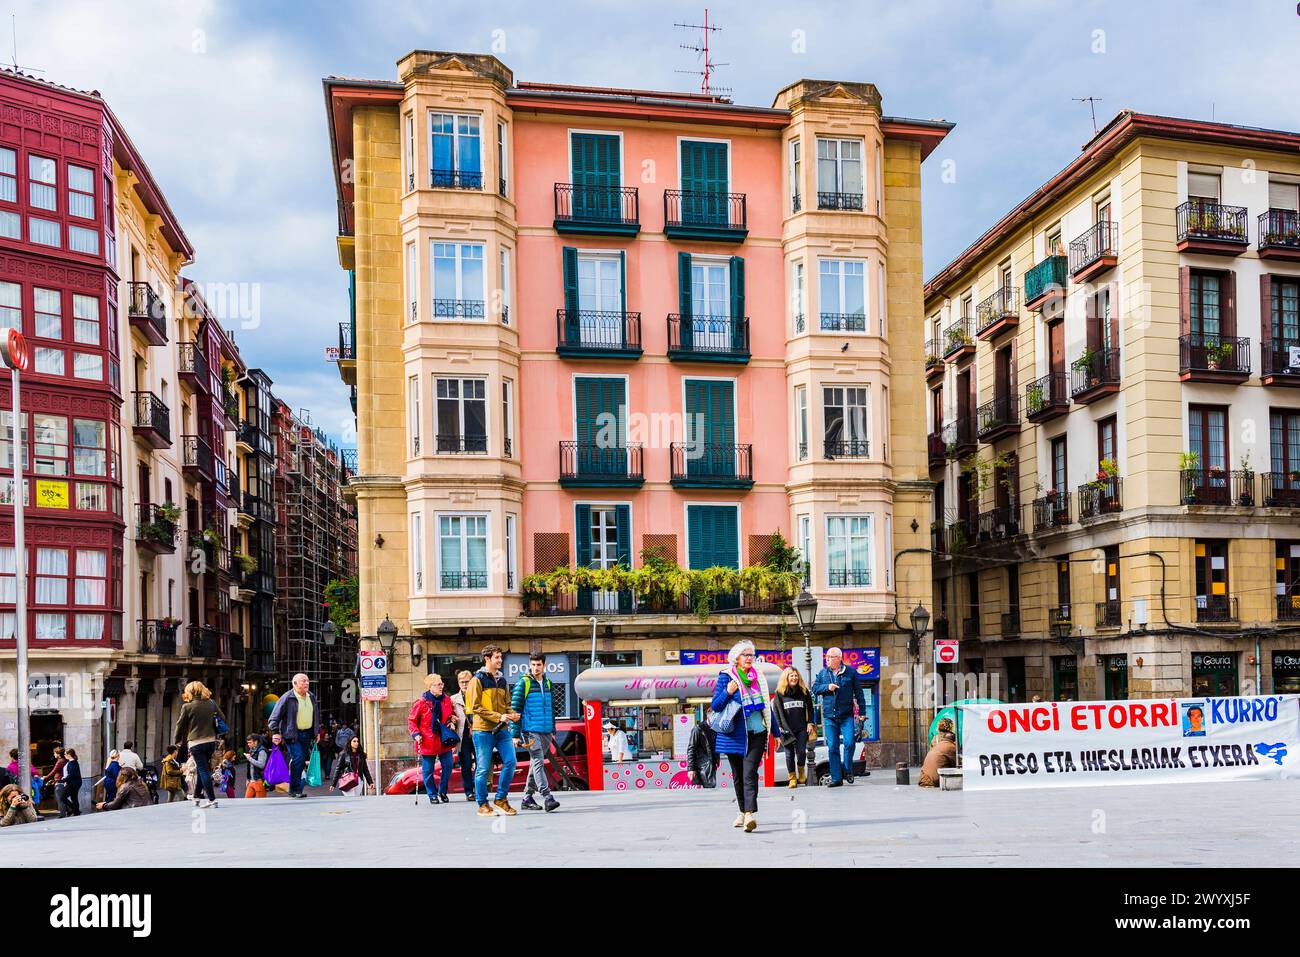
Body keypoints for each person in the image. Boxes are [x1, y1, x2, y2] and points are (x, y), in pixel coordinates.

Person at [711, 640, 770, 833]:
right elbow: (716, 706)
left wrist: (775, 732)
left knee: (749, 773)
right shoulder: (726, 677)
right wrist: (728, 691)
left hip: (757, 733)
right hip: (734, 735)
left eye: (751, 655)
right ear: (736, 658)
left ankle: (750, 814)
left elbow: (766, 708)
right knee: (738, 776)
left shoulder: (758, 676)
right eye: (746, 655)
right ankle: (742, 811)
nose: (749, 658)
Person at [465, 644, 521, 817]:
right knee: (482, 768)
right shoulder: (477, 680)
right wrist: (499, 716)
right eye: (497, 657)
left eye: (500, 657)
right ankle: (482, 805)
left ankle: (501, 799)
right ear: (487, 659)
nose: (500, 660)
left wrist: (512, 714)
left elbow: (507, 704)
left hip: (502, 729)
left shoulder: (502, 681)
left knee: (511, 762)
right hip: (483, 730)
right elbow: (475, 707)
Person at [511, 653, 560, 812]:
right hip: (530, 731)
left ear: (544, 665)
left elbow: (552, 709)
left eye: (538, 665)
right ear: (529, 665)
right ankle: (547, 797)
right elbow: (515, 710)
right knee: (538, 761)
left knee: (535, 763)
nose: (535, 668)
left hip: (545, 731)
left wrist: (553, 728)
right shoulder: (523, 683)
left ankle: (527, 798)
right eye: (533, 664)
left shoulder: (548, 683)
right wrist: (515, 735)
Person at [812, 647, 866, 787]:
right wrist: (827, 687)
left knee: (849, 743)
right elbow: (815, 689)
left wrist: (862, 714)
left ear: (839, 658)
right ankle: (836, 778)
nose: (827, 659)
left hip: (846, 715)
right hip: (829, 717)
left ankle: (848, 769)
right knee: (833, 747)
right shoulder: (823, 673)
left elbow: (859, 694)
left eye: (831, 657)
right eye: (827, 657)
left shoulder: (850, 672)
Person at [172, 680, 227, 808]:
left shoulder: (187, 707)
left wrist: (177, 740)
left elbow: (179, 725)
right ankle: (197, 796)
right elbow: (222, 718)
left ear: (189, 692)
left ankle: (212, 799)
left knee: (203, 770)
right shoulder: (211, 703)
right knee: (203, 769)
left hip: (196, 742)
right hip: (211, 741)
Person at [265, 672, 321, 799]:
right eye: (303, 681)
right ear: (294, 684)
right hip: (292, 734)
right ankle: (294, 789)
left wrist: (316, 731)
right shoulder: (287, 697)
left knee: (300, 761)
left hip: (307, 734)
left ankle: (295, 789)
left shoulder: (311, 696)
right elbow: (274, 717)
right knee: (298, 758)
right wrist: (275, 732)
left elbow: (316, 715)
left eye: (307, 680)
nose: (306, 683)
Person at [407, 673, 457, 804]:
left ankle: (442, 791)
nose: (441, 686)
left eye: (442, 684)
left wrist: (452, 721)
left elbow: (450, 714)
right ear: (430, 686)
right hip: (427, 740)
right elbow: (412, 721)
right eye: (438, 684)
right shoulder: (421, 703)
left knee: (448, 765)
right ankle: (432, 794)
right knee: (428, 770)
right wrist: (416, 734)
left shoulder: (446, 700)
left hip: (443, 738)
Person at [773, 666, 816, 788]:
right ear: (786, 677)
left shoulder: (804, 691)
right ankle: (792, 778)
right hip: (786, 729)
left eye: (796, 675)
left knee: (801, 752)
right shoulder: (779, 693)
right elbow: (776, 711)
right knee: (789, 755)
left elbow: (810, 708)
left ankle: (801, 772)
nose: (794, 678)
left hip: (801, 728)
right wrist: (779, 727)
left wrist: (810, 722)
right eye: (791, 675)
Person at [450, 670, 476, 802]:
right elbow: (447, 716)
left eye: (467, 681)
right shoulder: (453, 699)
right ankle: (469, 792)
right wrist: (452, 719)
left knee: (480, 763)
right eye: (462, 682)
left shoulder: (478, 695)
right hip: (462, 735)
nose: (465, 684)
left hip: (478, 733)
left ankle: (479, 789)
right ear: (458, 683)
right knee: (465, 764)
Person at [919, 718, 958, 788]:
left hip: (926, 774)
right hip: (938, 772)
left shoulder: (935, 737)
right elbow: (955, 759)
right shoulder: (950, 738)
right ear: (950, 726)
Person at [686, 713, 718, 788]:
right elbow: (691, 749)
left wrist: (717, 759)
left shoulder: (715, 728)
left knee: (710, 790)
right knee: (707, 791)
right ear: (708, 715)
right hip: (702, 765)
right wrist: (691, 768)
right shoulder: (698, 729)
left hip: (711, 764)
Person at [59, 748, 83, 817]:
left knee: (63, 797)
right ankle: (76, 812)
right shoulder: (71, 762)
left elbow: (72, 774)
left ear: (69, 755)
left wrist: (64, 779)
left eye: (65, 754)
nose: (64, 755)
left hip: (73, 783)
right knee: (74, 798)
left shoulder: (73, 763)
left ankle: (75, 810)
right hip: (74, 782)